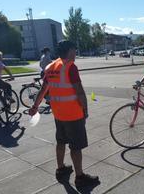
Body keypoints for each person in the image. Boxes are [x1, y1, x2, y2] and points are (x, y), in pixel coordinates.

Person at [29, 40, 99, 188]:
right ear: (69, 51)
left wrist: (35, 106)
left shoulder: (50, 67)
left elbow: (43, 90)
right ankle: (80, 177)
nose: (75, 53)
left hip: (58, 114)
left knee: (60, 141)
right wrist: (85, 110)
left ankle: (61, 169)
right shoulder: (70, 67)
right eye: (74, 50)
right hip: (73, 114)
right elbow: (79, 91)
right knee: (75, 146)